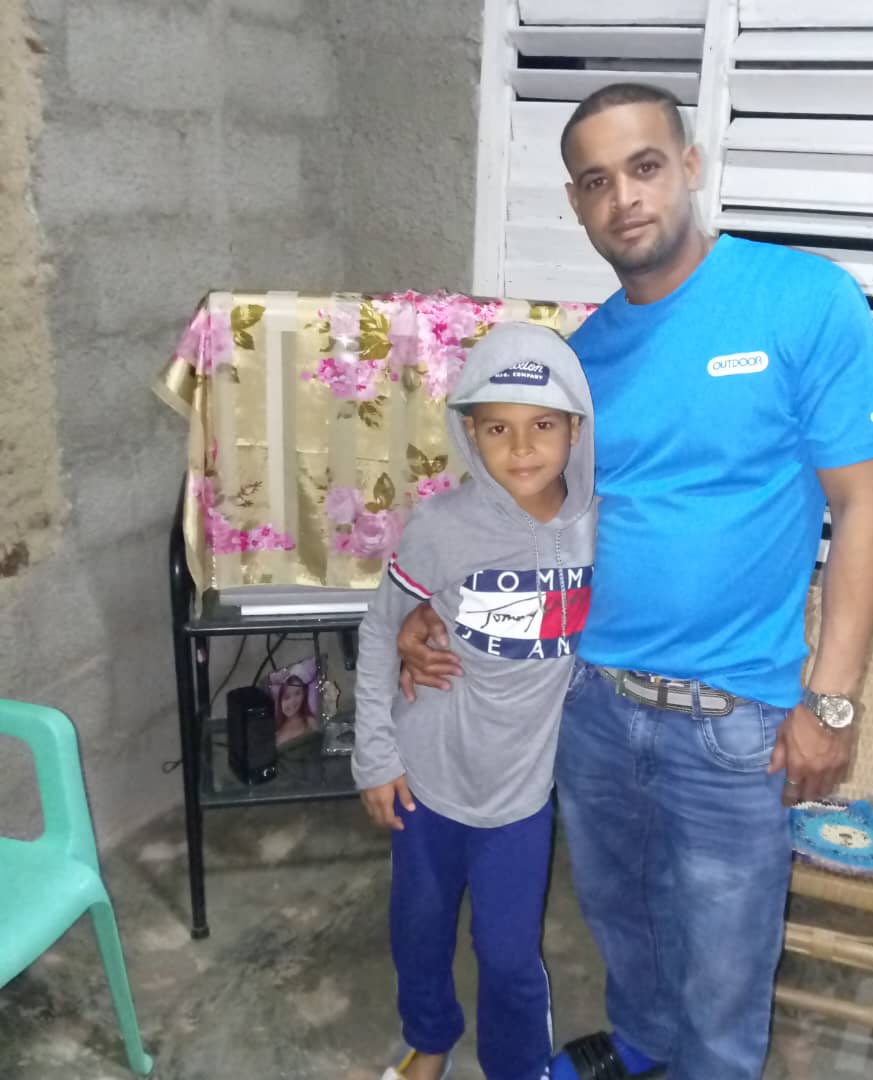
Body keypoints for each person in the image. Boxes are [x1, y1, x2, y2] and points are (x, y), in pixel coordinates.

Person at [397, 82, 873, 1080]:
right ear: (577, 204)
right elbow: (545, 530)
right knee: (620, 921)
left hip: (733, 724)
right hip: (590, 705)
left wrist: (832, 702)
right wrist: (440, 613)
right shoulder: (583, 360)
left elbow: (867, 510)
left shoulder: (802, 300)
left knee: (724, 969)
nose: (623, 197)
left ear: (690, 165)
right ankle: (642, 1048)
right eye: (596, 182)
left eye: (643, 167)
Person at [352, 321, 597, 1080]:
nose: (521, 449)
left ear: (576, 429)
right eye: (498, 428)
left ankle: (516, 1067)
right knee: (419, 929)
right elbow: (380, 629)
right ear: (469, 433)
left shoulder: (603, 526)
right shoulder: (441, 526)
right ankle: (429, 1044)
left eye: (543, 426)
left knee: (509, 952)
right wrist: (374, 757)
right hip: (428, 778)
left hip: (520, 794)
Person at [273, 670, 318, 746]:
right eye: (287, 697)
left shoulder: (310, 722)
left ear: (304, 695)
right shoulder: (275, 731)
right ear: (280, 702)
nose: (292, 701)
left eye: (297, 693)